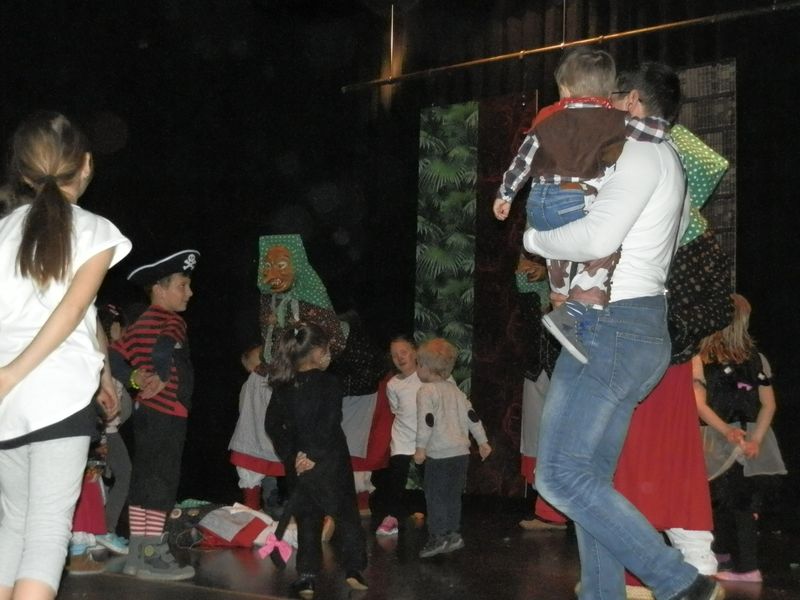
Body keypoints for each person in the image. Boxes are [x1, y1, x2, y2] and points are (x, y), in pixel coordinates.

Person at [524, 57, 725, 599]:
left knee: (559, 475)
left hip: (612, 326)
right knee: (588, 479)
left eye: (610, 96)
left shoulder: (638, 152)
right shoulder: (666, 159)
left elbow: (595, 239)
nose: (597, 105)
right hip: (631, 327)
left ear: (631, 102)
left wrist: (534, 240)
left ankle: (681, 582)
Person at [609, 62, 735, 598]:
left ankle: (679, 571)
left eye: (618, 99)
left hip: (660, 354)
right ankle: (667, 570)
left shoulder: (691, 230)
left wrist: (667, 334)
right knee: (644, 461)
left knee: (657, 461)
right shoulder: (640, 211)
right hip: (642, 352)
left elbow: (718, 305)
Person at [0, 111, 131, 600]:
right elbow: (71, 308)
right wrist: (13, 373)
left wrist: (104, 373)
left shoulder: (3, 230)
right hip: (55, 395)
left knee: (13, 523)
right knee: (48, 528)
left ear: (23, 171)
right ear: (87, 165)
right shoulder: (96, 230)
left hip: (8, 401)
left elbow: (84, 315)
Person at [493, 47, 667, 364]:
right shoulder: (613, 120)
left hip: (538, 204)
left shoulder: (547, 118)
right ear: (607, 90)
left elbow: (523, 160)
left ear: (564, 89)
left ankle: (561, 304)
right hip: (573, 201)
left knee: (558, 253)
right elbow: (656, 131)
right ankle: (577, 308)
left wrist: (505, 195)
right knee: (605, 249)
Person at [109, 249, 200, 581]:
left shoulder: (140, 323)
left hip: (146, 413)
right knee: (162, 482)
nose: (189, 293)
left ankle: (138, 554)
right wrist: (161, 375)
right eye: (182, 285)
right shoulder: (171, 320)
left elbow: (112, 356)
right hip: (168, 411)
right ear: (159, 289)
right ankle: (152, 556)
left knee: (144, 480)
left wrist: (134, 378)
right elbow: (163, 346)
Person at [265, 322, 368, 599]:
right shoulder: (330, 383)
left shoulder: (283, 386)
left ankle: (307, 577)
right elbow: (330, 422)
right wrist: (313, 455)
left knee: (308, 519)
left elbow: (273, 425)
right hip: (330, 462)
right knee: (346, 515)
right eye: (327, 348)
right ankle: (354, 569)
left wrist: (293, 456)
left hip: (299, 465)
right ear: (318, 351)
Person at [693, 293, 786, 583]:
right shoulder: (755, 358)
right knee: (728, 498)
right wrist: (753, 438)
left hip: (722, 436)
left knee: (732, 500)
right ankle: (723, 554)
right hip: (739, 436)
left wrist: (735, 434)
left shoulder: (702, 358)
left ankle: (747, 567)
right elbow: (769, 404)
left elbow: (699, 404)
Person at [413, 338, 492, 558]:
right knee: (452, 496)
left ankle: (437, 537)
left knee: (435, 496)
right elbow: (472, 417)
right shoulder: (456, 391)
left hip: (440, 455)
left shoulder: (426, 391)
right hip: (460, 454)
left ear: (425, 367)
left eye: (418, 364)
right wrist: (483, 442)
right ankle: (453, 534)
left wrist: (420, 449)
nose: (417, 368)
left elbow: (426, 421)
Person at [375, 335, 424, 537]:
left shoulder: (427, 376)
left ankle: (439, 518)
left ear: (415, 352)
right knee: (396, 478)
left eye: (403, 352)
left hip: (426, 438)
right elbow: (396, 409)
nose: (399, 358)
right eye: (394, 355)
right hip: (402, 437)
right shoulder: (393, 384)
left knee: (429, 477)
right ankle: (391, 517)